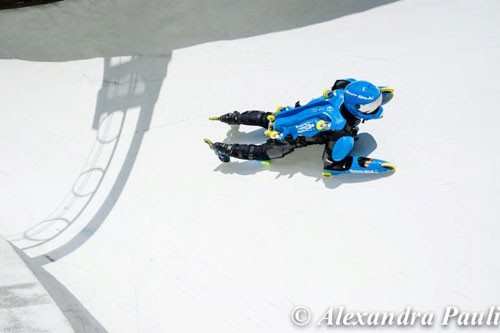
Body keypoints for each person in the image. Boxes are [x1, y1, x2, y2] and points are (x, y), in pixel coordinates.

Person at [204, 79, 396, 176]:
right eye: (371, 107)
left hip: (286, 115)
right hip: (286, 139)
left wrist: (375, 94)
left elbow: (344, 83)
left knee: (268, 118)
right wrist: (372, 166)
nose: (376, 109)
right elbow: (333, 164)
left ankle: (233, 118)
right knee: (264, 151)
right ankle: (223, 148)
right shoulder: (342, 134)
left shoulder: (341, 90)